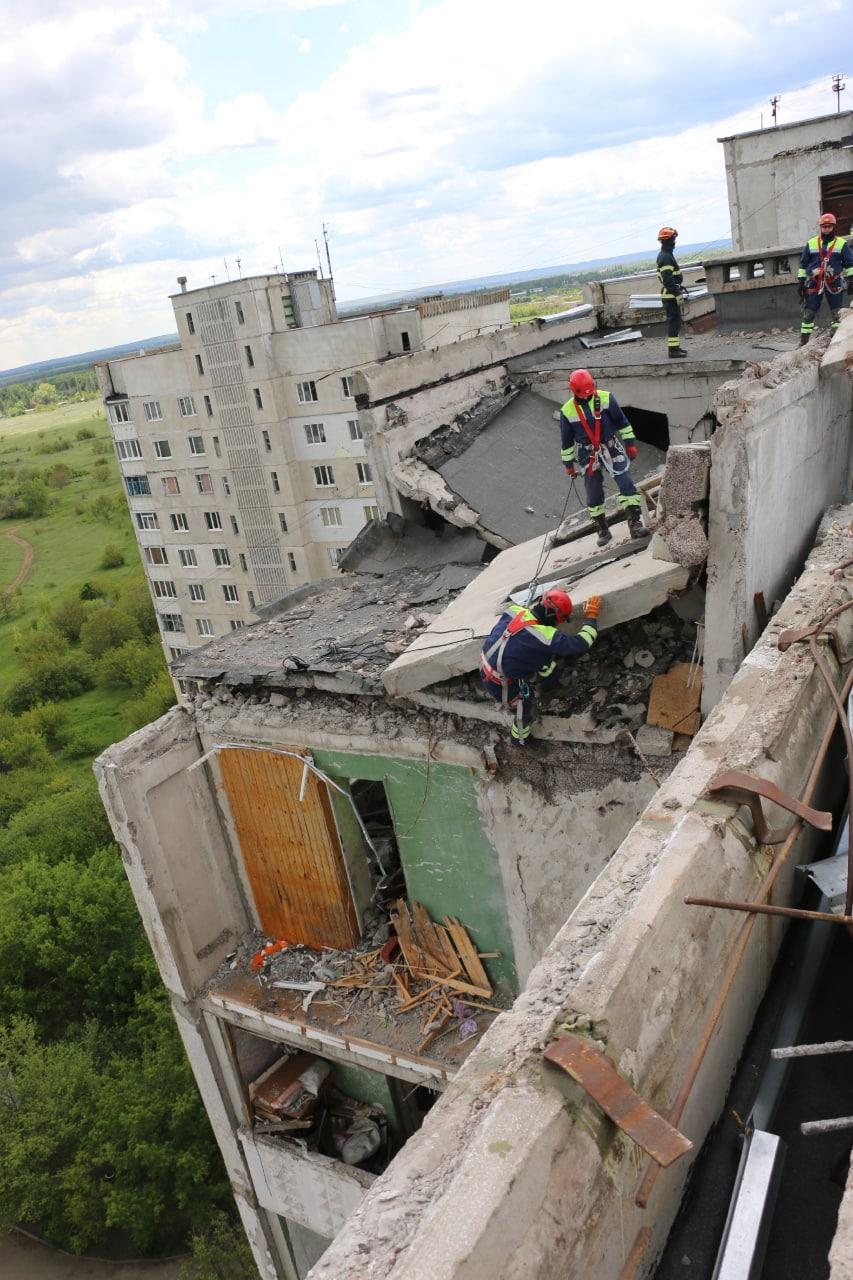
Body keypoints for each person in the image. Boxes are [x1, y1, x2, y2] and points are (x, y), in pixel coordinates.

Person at [479, 589, 601, 746]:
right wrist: (591, 616)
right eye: (560, 620)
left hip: (486, 663)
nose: (559, 624)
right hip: (499, 683)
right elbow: (581, 643)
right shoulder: (545, 635)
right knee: (525, 708)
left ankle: (549, 687)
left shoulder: (514, 610)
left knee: (545, 661)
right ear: (554, 616)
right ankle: (520, 740)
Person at [560, 368, 645, 547]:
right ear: (574, 391)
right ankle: (602, 529)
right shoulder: (567, 411)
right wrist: (568, 464)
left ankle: (635, 524)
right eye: (583, 395)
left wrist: (630, 443)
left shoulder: (606, 398)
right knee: (593, 493)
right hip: (587, 454)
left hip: (611, 446)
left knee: (626, 483)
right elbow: (566, 442)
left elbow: (623, 422)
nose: (587, 397)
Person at [797, 212, 853, 345]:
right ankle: (803, 343)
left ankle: (834, 341)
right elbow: (803, 265)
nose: (827, 229)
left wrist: (852, 280)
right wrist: (800, 282)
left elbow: (850, 264)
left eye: (829, 226)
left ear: (833, 227)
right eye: (824, 226)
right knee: (809, 314)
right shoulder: (811, 244)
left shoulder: (841, 244)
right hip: (814, 283)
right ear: (821, 227)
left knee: (837, 315)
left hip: (834, 283)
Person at [656, 226, 689, 358]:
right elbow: (668, 279)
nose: (675, 242)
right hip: (670, 296)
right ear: (668, 240)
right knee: (674, 322)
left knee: (676, 322)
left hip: (671, 294)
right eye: (673, 239)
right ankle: (673, 351)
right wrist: (677, 293)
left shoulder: (667, 255)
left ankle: (675, 348)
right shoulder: (666, 256)